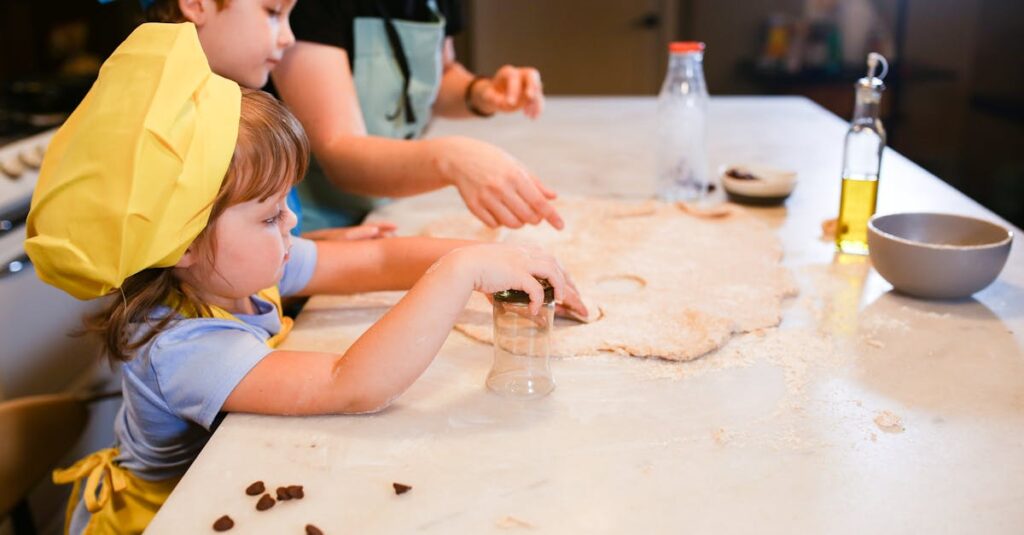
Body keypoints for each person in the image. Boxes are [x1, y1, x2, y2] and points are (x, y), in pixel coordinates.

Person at [26, 23, 585, 534]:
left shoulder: (230, 269)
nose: (293, 224)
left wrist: (484, 254)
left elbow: (375, 263)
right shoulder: (181, 348)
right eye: (270, 216)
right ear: (186, 243)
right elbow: (352, 384)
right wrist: (462, 272)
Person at [269, 0, 565, 233]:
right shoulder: (311, 6)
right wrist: (451, 158)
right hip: (309, 223)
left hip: (386, 207)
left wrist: (481, 92)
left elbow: (441, 75)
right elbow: (339, 152)